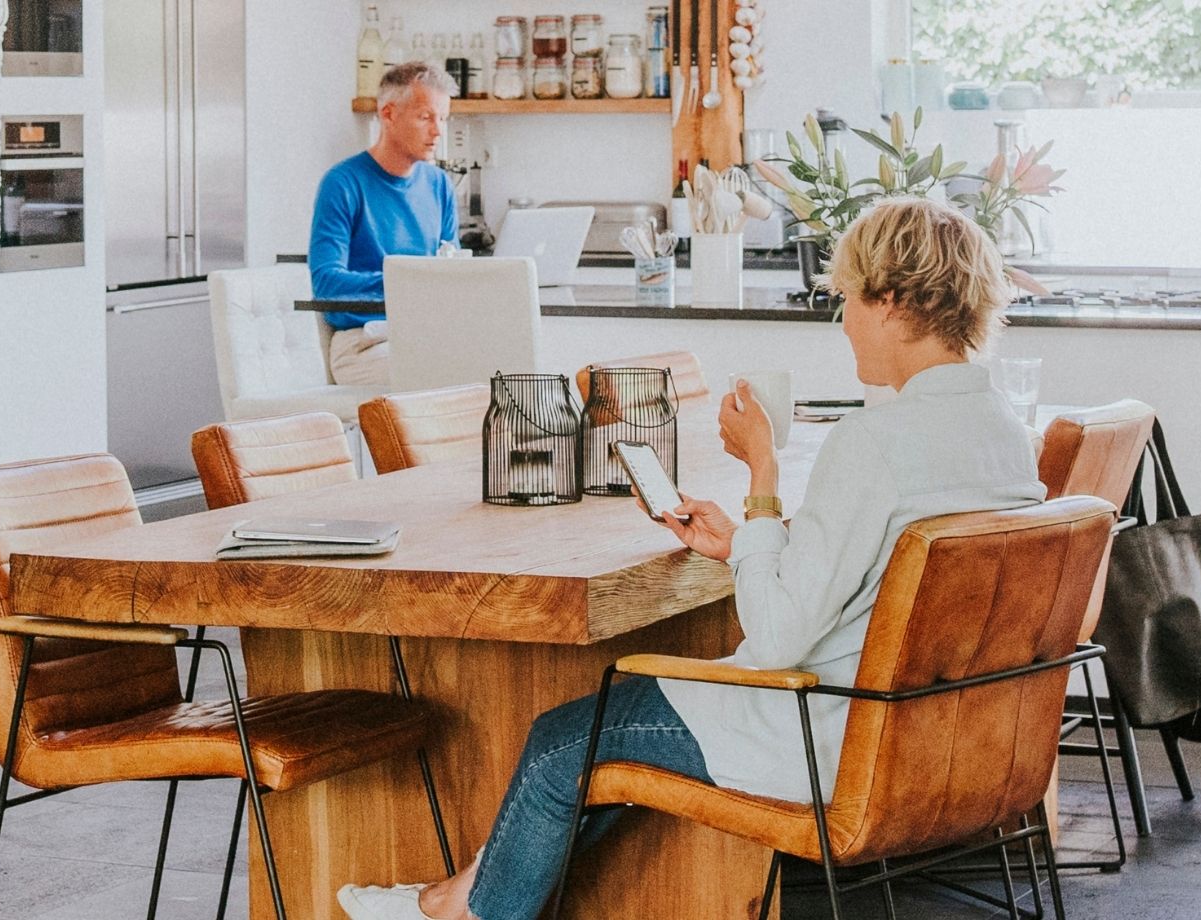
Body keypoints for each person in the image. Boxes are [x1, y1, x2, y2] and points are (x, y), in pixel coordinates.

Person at [336, 198, 1045, 920]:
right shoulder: (1003, 433)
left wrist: (762, 473)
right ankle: (461, 894)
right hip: (943, 734)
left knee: (562, 746)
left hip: (826, 733)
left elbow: (775, 641)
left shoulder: (873, 443)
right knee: (597, 755)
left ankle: (460, 913)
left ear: (890, 302)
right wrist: (744, 545)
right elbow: (867, 578)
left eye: (848, 299)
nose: (844, 321)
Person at [308, 61, 457, 387]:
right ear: (388, 115)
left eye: (443, 119)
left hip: (424, 336)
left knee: (503, 373)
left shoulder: (439, 185)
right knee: (443, 379)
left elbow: (451, 272)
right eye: (426, 117)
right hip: (363, 343)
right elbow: (325, 284)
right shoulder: (343, 183)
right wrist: (409, 282)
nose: (438, 131)